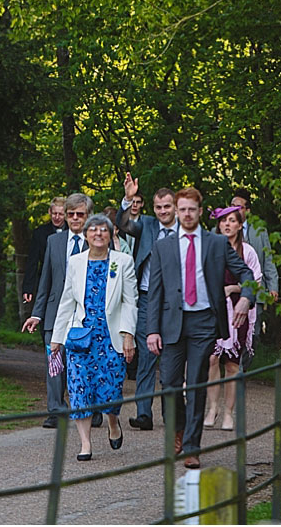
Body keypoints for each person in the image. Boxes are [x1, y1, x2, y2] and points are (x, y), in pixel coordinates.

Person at [145, 186, 255, 469]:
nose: (186, 214)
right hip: (171, 322)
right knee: (169, 383)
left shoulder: (216, 244)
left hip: (204, 321)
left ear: (200, 211)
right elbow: (155, 291)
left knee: (195, 383)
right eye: (181, 209)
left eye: (191, 209)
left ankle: (192, 446)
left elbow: (247, 274)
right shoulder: (163, 246)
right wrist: (152, 330)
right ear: (177, 211)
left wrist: (245, 298)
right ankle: (178, 430)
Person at [50, 214, 137, 461]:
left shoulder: (123, 262)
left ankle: (113, 422)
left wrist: (128, 335)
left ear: (110, 235)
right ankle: (85, 444)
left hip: (111, 337)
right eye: (93, 230)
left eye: (103, 230)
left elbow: (131, 302)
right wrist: (58, 337)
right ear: (86, 235)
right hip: (81, 337)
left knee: (110, 391)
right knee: (79, 390)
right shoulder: (75, 262)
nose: (98, 234)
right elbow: (67, 301)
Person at [23, 193, 102, 429]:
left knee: (87, 364)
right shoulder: (54, 242)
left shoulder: (97, 241)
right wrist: (37, 313)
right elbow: (45, 279)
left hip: (87, 315)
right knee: (54, 364)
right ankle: (56, 410)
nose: (75, 219)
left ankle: (91, 409)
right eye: (71, 214)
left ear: (88, 216)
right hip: (55, 314)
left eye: (80, 214)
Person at [115, 174, 178, 431]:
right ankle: (144, 413)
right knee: (145, 359)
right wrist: (128, 199)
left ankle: (172, 414)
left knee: (172, 359)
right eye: (158, 207)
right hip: (146, 298)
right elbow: (123, 224)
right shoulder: (149, 226)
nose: (162, 211)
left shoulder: (186, 231)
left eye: (167, 207)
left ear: (175, 207)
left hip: (174, 302)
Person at [203, 206, 263, 431]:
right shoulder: (211, 248)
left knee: (232, 364)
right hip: (214, 310)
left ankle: (228, 412)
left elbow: (255, 281)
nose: (227, 225)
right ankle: (212, 407)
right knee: (211, 359)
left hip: (238, 310)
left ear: (239, 225)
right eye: (223, 221)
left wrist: (234, 288)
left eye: (232, 221)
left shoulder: (247, 251)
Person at [230, 189, 279, 369]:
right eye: (232, 206)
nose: (234, 210)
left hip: (255, 291)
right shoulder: (221, 229)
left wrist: (273, 286)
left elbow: (268, 261)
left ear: (247, 211)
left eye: (239, 207)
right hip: (229, 291)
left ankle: (241, 367)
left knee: (253, 334)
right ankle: (233, 371)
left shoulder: (260, 232)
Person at [22, 197, 67, 305]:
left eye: (60, 214)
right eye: (54, 213)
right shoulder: (40, 233)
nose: (57, 217)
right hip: (46, 282)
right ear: (49, 212)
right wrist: (28, 287)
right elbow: (32, 262)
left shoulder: (73, 232)